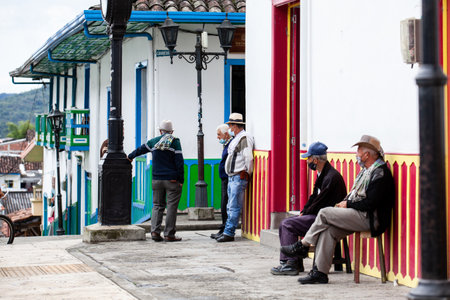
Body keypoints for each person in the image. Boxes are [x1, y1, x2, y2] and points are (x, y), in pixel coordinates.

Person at [280, 135, 395, 284]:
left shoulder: (381, 173)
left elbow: (370, 204)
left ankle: (303, 245)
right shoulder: (366, 172)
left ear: (367, 155)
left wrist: (348, 205)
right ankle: (320, 273)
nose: (357, 154)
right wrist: (345, 202)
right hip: (359, 215)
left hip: (371, 218)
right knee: (328, 231)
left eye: (359, 151)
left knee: (324, 212)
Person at [270, 142, 347, 276]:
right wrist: (303, 212)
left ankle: (291, 264)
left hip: (324, 219)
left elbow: (320, 201)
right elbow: (313, 197)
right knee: (285, 223)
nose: (308, 161)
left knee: (287, 224)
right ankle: (288, 262)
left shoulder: (331, 177)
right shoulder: (322, 174)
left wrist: (306, 213)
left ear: (316, 160)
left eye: (309, 158)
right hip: (317, 215)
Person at [128, 120, 184, 242]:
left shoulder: (154, 142)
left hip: (157, 179)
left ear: (160, 131)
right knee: (171, 207)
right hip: (172, 180)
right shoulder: (175, 142)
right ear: (172, 131)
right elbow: (179, 162)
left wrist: (130, 156)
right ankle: (169, 234)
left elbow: (141, 149)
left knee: (157, 206)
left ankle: (155, 232)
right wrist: (181, 179)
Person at [216, 113, 254, 243]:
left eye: (230, 126)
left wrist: (247, 172)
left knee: (233, 206)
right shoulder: (237, 138)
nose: (229, 128)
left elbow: (248, 157)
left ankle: (229, 232)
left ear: (235, 126)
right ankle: (227, 230)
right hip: (233, 176)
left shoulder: (244, 138)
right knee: (230, 205)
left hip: (238, 176)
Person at [210, 124, 233, 239]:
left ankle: (225, 229)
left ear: (226, 134)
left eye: (219, 134)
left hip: (228, 178)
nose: (218, 137)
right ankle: (223, 228)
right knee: (224, 204)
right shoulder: (226, 144)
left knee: (226, 204)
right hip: (225, 178)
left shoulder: (230, 144)